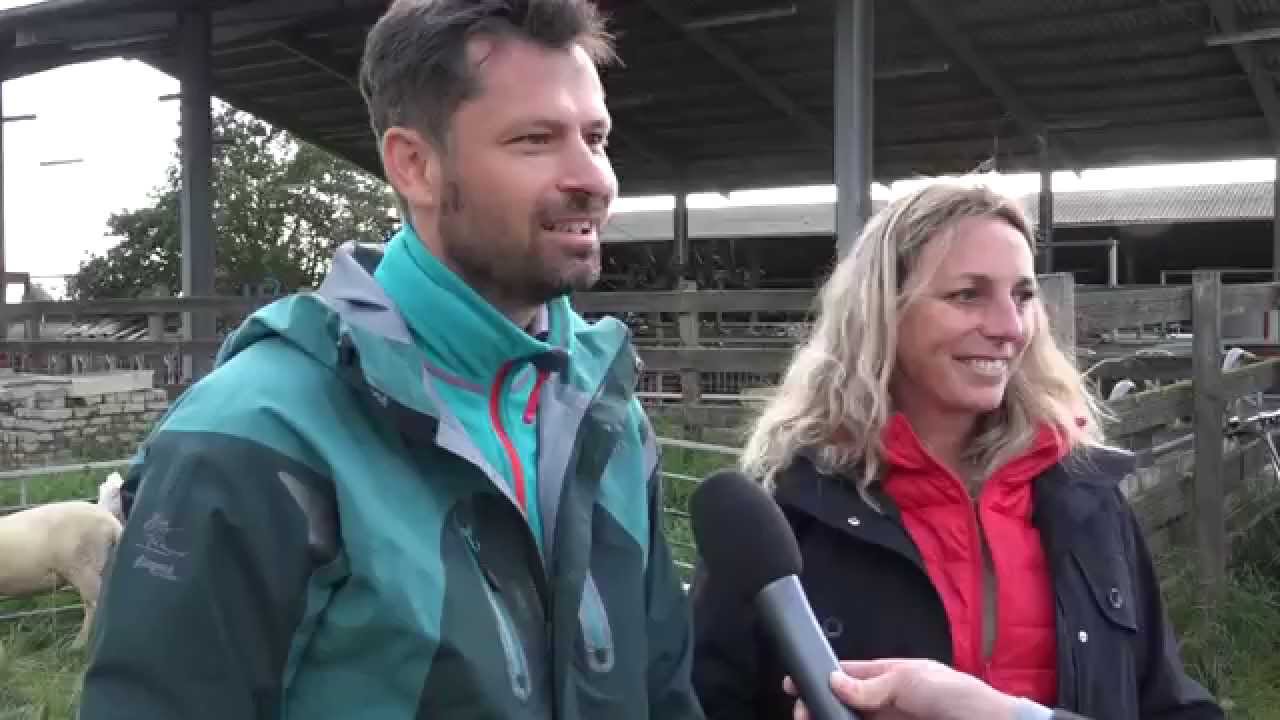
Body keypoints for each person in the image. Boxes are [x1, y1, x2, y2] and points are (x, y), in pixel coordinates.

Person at [77, 2, 704, 718]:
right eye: (535, 139)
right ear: (415, 164)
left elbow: (666, 692)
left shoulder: (607, 415)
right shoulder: (254, 434)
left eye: (595, 137)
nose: (592, 177)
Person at [689, 179, 1223, 720]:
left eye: (1023, 296)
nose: (1009, 328)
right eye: (968, 294)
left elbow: (1174, 706)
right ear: (884, 310)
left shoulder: (1087, 499)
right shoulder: (787, 511)